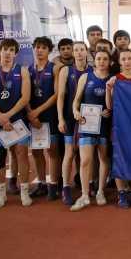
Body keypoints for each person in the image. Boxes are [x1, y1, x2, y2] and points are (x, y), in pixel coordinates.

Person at [0, 38, 32, 208]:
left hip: (18, 120)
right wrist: (1, 117)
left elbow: (25, 97)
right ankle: (1, 194)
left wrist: (8, 116)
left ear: (15, 54)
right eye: (5, 49)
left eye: (11, 50)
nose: (8, 53)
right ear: (0, 51)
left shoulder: (23, 71)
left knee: (21, 154)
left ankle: (24, 192)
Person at [70, 50, 113, 211]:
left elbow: (116, 103)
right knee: (85, 160)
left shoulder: (113, 79)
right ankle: (84, 195)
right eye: (99, 58)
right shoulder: (85, 77)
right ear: (94, 61)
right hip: (87, 124)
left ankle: (100, 191)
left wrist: (110, 111)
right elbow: (76, 100)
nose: (101, 61)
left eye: (105, 59)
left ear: (109, 62)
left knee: (103, 158)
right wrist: (75, 112)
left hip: (104, 125)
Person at [106, 49, 131, 208]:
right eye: (124, 59)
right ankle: (121, 193)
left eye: (129, 58)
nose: (127, 61)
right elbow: (109, 106)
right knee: (119, 158)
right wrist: (108, 89)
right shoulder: (115, 79)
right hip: (119, 125)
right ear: (120, 62)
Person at [57, 41, 92, 206]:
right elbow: (60, 96)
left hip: (88, 118)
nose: (78, 52)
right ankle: (65, 187)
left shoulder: (92, 70)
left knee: (86, 155)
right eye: (75, 50)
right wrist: (60, 118)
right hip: (70, 117)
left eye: (81, 49)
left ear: (86, 52)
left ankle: (87, 184)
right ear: (72, 53)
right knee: (69, 153)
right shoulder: (66, 70)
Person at [27, 37, 61, 201]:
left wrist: (37, 111)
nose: (39, 50)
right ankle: (41, 184)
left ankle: (53, 185)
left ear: (49, 50)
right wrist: (30, 113)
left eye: (43, 48)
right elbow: (24, 94)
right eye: (37, 47)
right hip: (32, 116)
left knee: (52, 151)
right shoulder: (28, 69)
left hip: (49, 115)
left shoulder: (55, 68)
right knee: (36, 151)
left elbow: (57, 94)